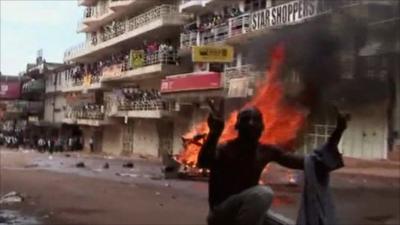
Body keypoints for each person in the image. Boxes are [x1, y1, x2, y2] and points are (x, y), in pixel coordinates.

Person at [198, 100, 347, 225]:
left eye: (255, 120)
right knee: (262, 193)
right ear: (237, 127)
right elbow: (204, 162)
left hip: (249, 212)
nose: (250, 123)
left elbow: (312, 163)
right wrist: (214, 133)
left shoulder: (266, 151)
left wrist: (338, 132)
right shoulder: (225, 149)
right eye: (245, 119)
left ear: (262, 128)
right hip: (221, 214)